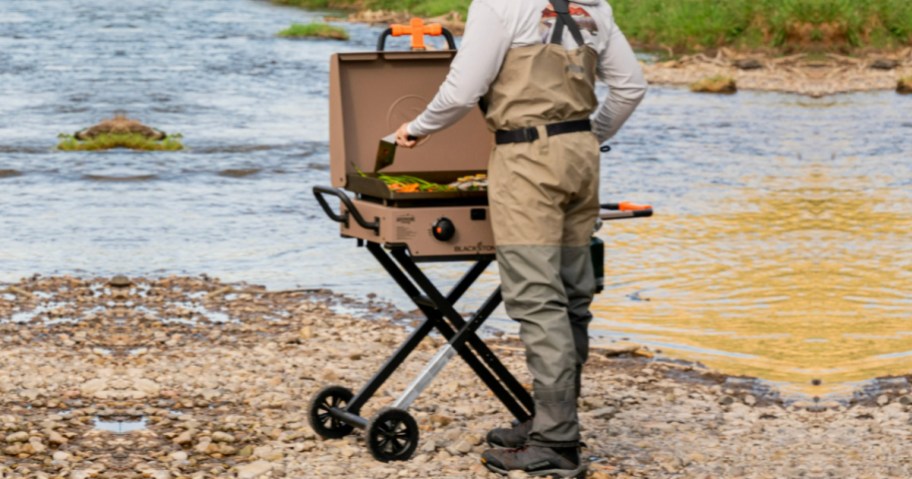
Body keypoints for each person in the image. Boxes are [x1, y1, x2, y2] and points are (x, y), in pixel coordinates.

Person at [396, 0, 646, 475]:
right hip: (582, 161)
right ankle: (554, 419)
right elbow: (631, 88)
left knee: (536, 296)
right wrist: (587, 135)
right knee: (573, 295)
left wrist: (417, 129)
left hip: (527, 161)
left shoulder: (497, 5)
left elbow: (462, 90)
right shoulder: (596, 7)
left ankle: (556, 441)